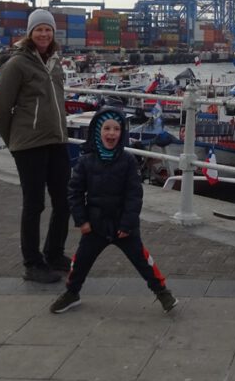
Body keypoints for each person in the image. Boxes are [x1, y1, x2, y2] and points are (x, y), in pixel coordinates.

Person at [49, 107, 176, 315]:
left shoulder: (127, 161)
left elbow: (134, 195)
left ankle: (162, 292)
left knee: (143, 261)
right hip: (95, 224)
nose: (111, 133)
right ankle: (72, 293)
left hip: (123, 225)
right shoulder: (85, 161)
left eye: (116, 129)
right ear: (97, 130)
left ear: (122, 133)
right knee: (80, 262)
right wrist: (82, 221)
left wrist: (127, 224)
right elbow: (75, 192)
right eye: (106, 128)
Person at [0, 8, 71, 284]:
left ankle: (54, 253)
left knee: (65, 200)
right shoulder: (17, 65)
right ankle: (32, 263)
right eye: (39, 29)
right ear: (30, 33)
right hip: (29, 146)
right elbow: (1, 107)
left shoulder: (56, 62)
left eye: (47, 29)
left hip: (57, 141)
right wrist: (13, 141)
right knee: (34, 204)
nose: (44, 34)